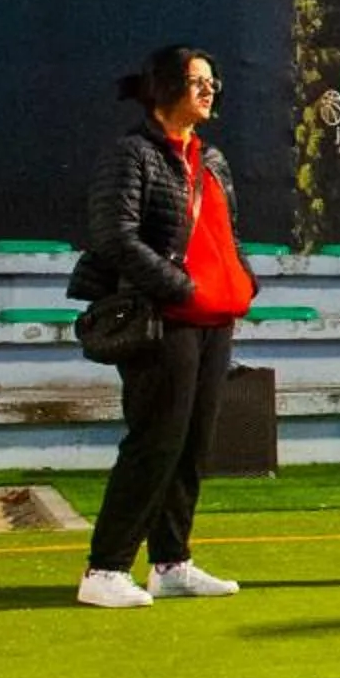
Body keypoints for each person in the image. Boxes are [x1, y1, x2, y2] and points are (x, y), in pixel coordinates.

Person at [69, 45, 256, 609]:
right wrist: (182, 288)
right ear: (166, 88)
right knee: (156, 441)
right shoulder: (132, 155)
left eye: (212, 81)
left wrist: (242, 280)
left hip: (213, 321)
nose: (209, 90)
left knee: (193, 446)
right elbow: (114, 236)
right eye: (197, 81)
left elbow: (226, 234)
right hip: (163, 320)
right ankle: (104, 568)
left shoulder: (210, 158)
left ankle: (171, 562)